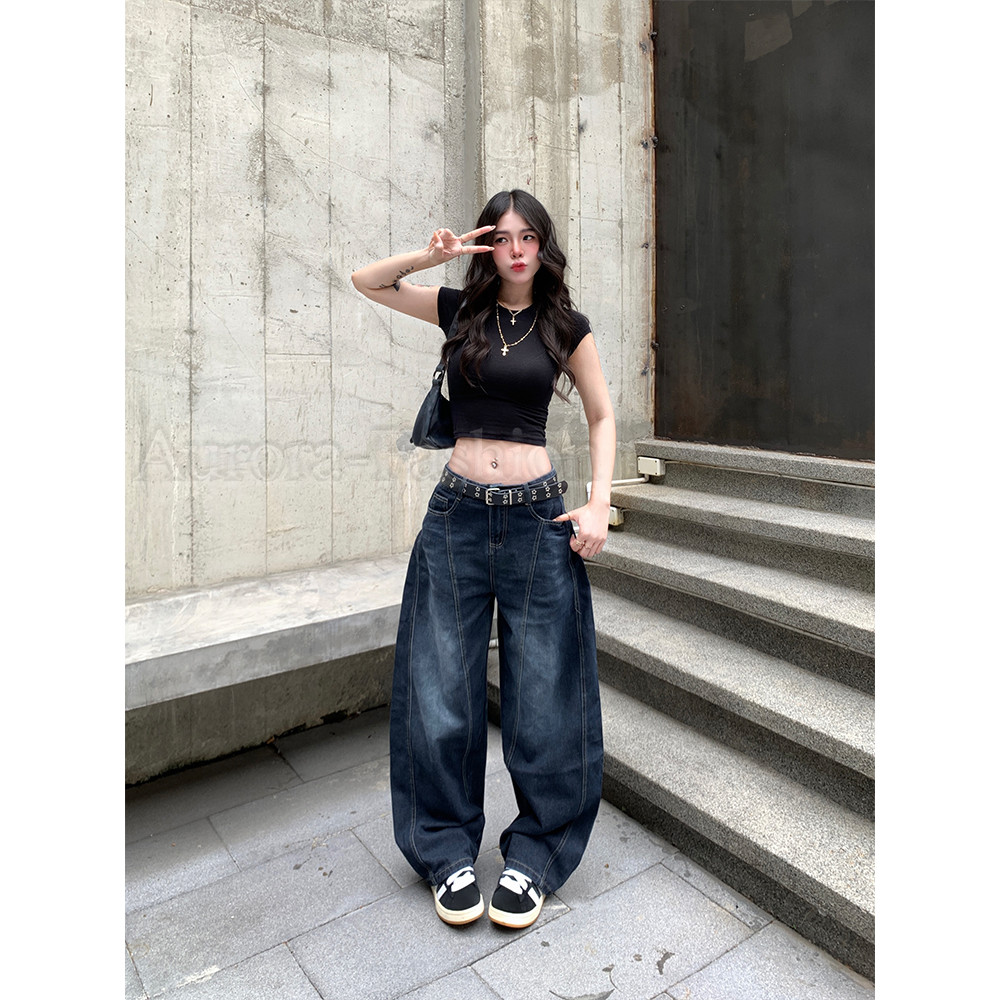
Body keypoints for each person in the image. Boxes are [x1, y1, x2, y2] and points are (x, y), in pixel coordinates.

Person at [350, 189, 615, 929]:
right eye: (502, 237)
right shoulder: (460, 311)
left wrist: (599, 503)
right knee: (440, 691)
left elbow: (601, 414)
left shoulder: (565, 325)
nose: (516, 250)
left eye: (528, 237)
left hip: (536, 520)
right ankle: (446, 852)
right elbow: (367, 282)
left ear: (543, 246)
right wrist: (430, 256)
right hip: (457, 517)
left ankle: (535, 857)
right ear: (485, 246)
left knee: (547, 695)